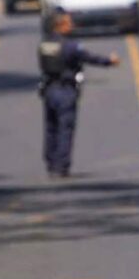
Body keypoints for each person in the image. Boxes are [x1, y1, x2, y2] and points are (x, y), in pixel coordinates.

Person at [38, 11, 120, 177]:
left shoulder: (45, 45)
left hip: (49, 89)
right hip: (66, 90)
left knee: (51, 127)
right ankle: (62, 165)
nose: (72, 25)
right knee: (65, 128)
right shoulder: (70, 46)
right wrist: (109, 61)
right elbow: (90, 58)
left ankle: (51, 162)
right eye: (68, 23)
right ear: (60, 26)